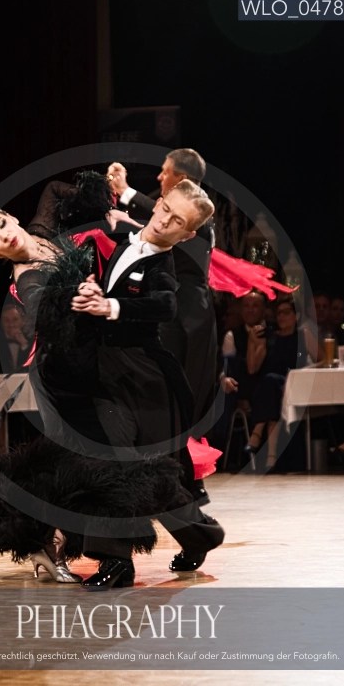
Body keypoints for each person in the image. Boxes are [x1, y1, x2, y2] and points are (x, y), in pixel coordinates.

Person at [0, 194, 220, 589]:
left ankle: (194, 536)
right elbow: (47, 314)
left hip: (102, 365)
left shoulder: (46, 233)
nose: (3, 237)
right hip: (65, 379)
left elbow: (56, 190)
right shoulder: (27, 275)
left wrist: (109, 206)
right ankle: (107, 558)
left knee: (137, 461)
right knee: (103, 463)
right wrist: (79, 298)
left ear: (10, 217)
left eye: (0, 225)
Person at [71, 179, 225, 589]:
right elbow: (107, 281)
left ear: (187, 235)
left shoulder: (163, 265)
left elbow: (165, 304)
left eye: (178, 222)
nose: (165, 222)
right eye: (166, 210)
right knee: (112, 460)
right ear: (157, 204)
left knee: (155, 473)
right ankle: (120, 561)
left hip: (146, 379)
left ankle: (193, 538)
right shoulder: (126, 240)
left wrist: (111, 305)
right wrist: (92, 291)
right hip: (108, 373)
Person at [107, 150, 216, 438]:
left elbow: (159, 220)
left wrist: (125, 190)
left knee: (175, 392)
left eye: (165, 171)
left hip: (185, 319)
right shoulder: (160, 225)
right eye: (164, 208)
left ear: (181, 178)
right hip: (175, 317)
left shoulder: (199, 216)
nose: (159, 176)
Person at [245, 296, 321, 469]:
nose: (281, 317)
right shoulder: (270, 337)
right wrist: (254, 343)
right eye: (279, 313)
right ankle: (271, 457)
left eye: (286, 312)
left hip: (294, 387)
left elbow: (323, 360)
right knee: (271, 386)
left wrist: (304, 372)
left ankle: (257, 434)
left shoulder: (303, 335)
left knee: (272, 385)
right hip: (270, 391)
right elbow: (252, 368)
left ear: (296, 315)